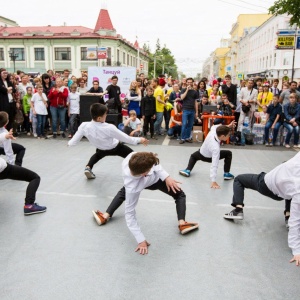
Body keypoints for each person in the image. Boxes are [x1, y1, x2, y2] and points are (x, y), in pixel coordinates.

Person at [92, 151, 199, 255]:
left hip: (149, 179)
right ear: (144, 173)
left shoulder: (131, 157)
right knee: (179, 195)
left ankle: (105, 216)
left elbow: (154, 162)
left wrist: (167, 177)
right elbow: (129, 214)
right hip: (155, 182)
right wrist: (141, 240)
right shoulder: (133, 188)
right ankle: (182, 224)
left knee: (122, 192)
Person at [223, 152, 300, 266]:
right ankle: (287, 215)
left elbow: (296, 221)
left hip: (266, 184)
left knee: (239, 179)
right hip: (284, 189)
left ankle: (238, 209)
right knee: (291, 193)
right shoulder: (297, 189)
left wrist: (297, 251)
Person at [68, 103, 148, 179]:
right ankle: (140, 171)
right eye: (105, 114)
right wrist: (140, 140)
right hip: (116, 147)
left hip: (101, 149)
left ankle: (88, 167)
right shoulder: (109, 127)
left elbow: (75, 139)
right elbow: (126, 138)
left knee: (96, 156)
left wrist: (70, 143)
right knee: (132, 156)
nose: (106, 115)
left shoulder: (84, 125)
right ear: (99, 118)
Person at [0, 129, 46, 215]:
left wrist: (4, 136)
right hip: (3, 169)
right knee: (34, 177)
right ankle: (29, 205)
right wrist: (5, 136)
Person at [179, 122, 235, 188]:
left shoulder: (213, 130)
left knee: (193, 156)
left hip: (201, 153)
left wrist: (228, 126)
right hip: (209, 157)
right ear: (223, 136)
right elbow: (214, 165)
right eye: (228, 135)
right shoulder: (215, 148)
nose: (229, 136)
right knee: (228, 153)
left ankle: (188, 170)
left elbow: (218, 126)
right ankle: (226, 173)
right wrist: (213, 181)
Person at [179, 78, 199, 144]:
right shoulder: (183, 90)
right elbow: (182, 98)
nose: (189, 83)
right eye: (188, 82)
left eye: (191, 82)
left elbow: (196, 102)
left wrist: (197, 112)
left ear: (193, 83)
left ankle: (187, 137)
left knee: (190, 125)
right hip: (185, 109)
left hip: (192, 110)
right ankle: (182, 138)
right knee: (184, 124)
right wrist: (187, 90)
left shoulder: (195, 92)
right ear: (186, 83)